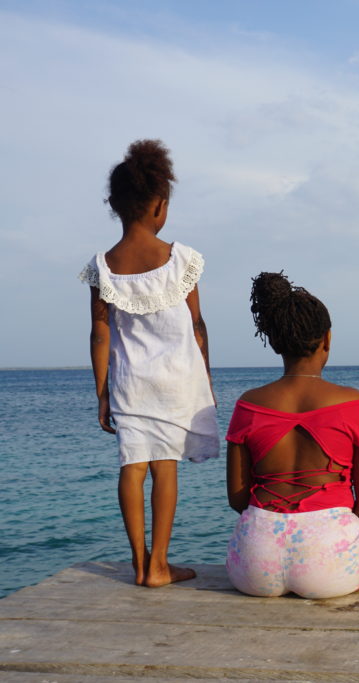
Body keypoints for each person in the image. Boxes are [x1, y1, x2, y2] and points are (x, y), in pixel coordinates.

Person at [80, 139, 217, 588]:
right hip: (175, 382)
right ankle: (161, 563)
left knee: (131, 466)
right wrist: (207, 383)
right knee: (165, 468)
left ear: (116, 207)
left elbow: (100, 333)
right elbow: (197, 327)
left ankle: (139, 564)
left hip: (130, 385)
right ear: (160, 205)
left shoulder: (104, 266)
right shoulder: (181, 259)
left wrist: (102, 391)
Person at [224, 272, 359, 599]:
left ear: (277, 343)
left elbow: (238, 499)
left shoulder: (247, 405)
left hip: (254, 565)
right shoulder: (353, 403)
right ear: (327, 339)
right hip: (329, 565)